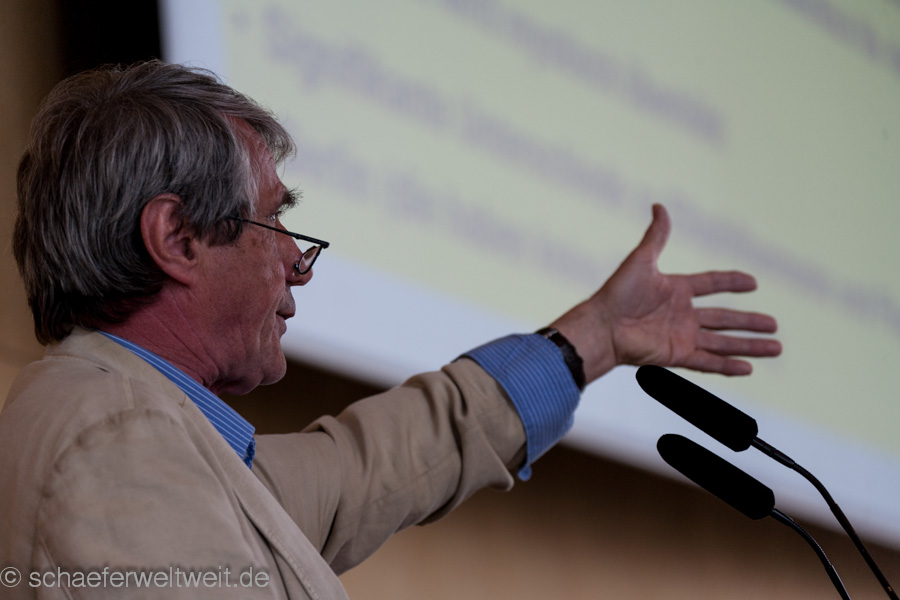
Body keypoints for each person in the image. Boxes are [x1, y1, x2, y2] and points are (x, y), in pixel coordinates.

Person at [0, 61, 781, 599]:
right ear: (177, 238)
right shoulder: (117, 438)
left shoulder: (149, 433)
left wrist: (594, 339)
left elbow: (375, 466)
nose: (298, 264)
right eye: (272, 221)